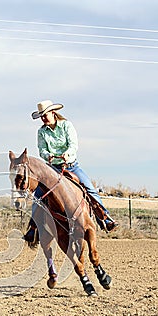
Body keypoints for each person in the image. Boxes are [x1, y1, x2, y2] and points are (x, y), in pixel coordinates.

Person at [24, 99, 118, 242]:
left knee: (90, 188)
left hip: (71, 166)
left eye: (45, 115)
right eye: (41, 116)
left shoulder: (66, 126)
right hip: (52, 169)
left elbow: (73, 145)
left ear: (53, 112)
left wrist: (67, 155)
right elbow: (42, 150)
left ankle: (104, 218)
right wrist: (48, 156)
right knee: (38, 196)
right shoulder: (41, 132)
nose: (43, 118)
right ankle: (32, 228)